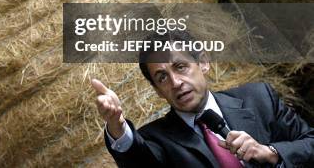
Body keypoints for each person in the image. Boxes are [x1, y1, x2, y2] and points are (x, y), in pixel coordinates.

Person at [93, 30, 314, 168]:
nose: (176, 82)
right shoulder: (155, 140)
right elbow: (138, 162)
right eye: (162, 77)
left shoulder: (259, 98)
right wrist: (117, 126)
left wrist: (270, 153)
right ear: (157, 90)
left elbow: (310, 143)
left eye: (181, 67)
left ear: (204, 63)